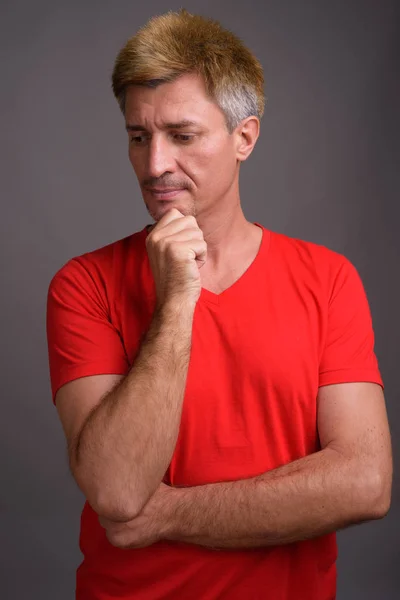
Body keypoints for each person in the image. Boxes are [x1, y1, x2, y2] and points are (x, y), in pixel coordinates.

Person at [46, 8, 392, 600]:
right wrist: (178, 298)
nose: (155, 166)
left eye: (182, 136)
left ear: (245, 138)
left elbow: (365, 483)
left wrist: (171, 514)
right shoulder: (83, 284)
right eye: (138, 137)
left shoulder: (329, 279)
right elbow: (119, 491)